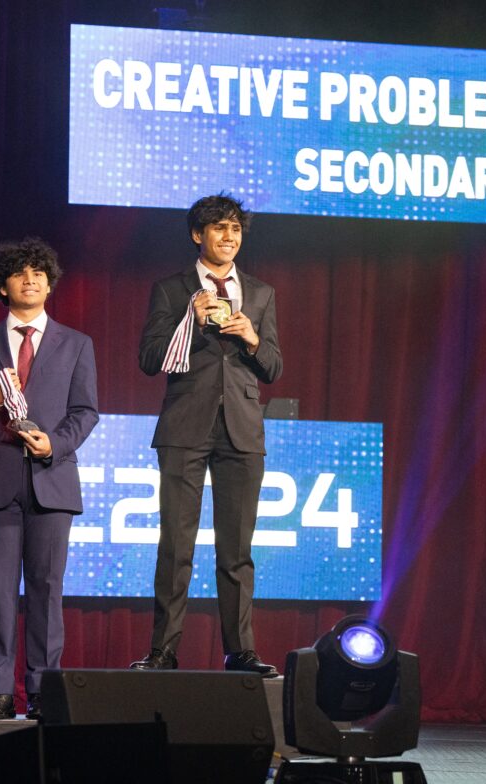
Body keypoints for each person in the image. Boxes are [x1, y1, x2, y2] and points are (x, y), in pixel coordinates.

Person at [131, 193, 282, 676]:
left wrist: (253, 339)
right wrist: (191, 322)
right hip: (184, 428)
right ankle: (163, 651)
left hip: (242, 430)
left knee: (236, 551)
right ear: (199, 235)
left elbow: (274, 367)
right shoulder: (172, 290)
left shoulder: (259, 293)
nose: (229, 237)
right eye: (219, 228)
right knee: (176, 545)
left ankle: (241, 651)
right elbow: (150, 359)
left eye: (236, 229)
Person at [0, 237, 98, 720]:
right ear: (2, 285)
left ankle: (40, 692)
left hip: (52, 480)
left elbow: (85, 411)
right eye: (20, 272)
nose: (31, 279)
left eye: (39, 272)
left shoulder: (77, 344)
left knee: (45, 591)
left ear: (50, 284)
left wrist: (55, 443)